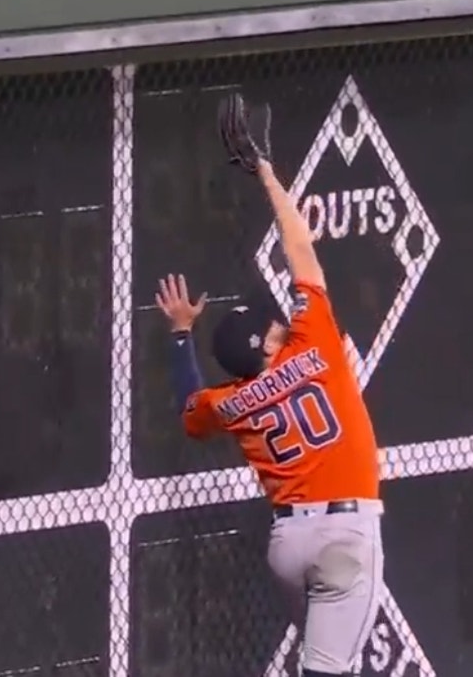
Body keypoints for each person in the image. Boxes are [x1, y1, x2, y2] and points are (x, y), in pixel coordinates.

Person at [153, 93, 384, 677]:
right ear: (270, 340)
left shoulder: (233, 403)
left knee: (324, 660)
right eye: (273, 321)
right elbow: (299, 246)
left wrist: (182, 335)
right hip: (345, 536)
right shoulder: (314, 341)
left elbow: (188, 408)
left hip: (289, 548)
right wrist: (265, 172)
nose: (280, 317)